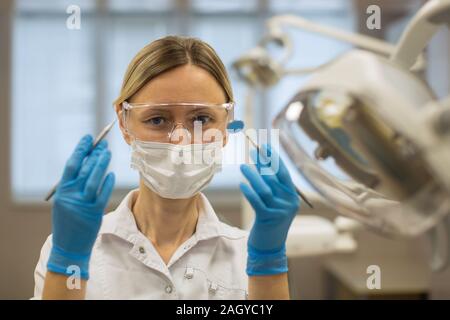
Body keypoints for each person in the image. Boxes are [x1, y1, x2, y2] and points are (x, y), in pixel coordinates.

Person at [32, 36, 300, 299]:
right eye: (158, 119)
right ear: (124, 123)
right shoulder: (72, 252)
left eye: (202, 118)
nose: (180, 139)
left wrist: (267, 263)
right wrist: (69, 259)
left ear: (227, 125)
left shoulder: (248, 258)